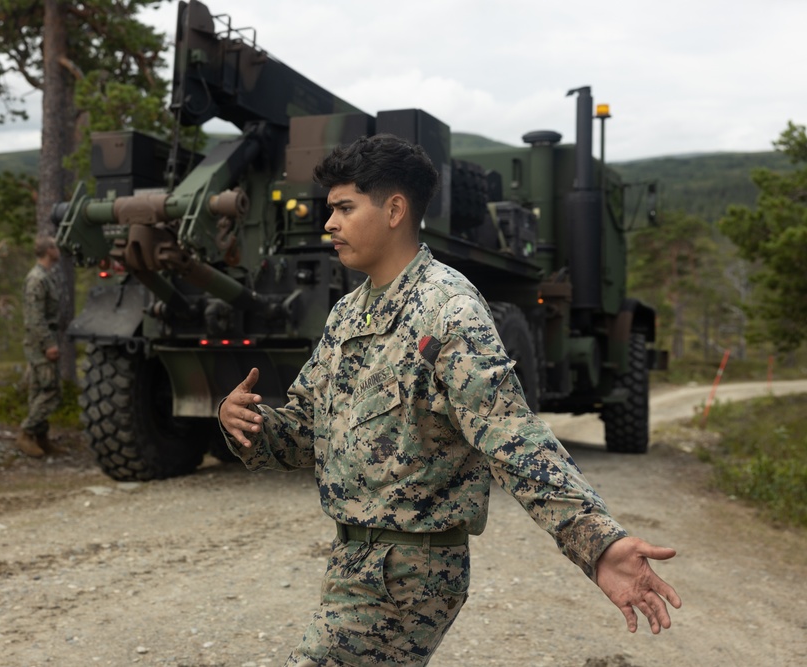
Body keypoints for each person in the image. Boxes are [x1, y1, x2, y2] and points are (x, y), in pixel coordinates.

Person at [219, 134, 681, 665]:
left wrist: (596, 541)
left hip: (409, 572)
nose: (329, 223)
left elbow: (511, 435)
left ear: (394, 210)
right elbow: (305, 432)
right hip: (356, 558)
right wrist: (248, 425)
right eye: (331, 210)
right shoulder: (350, 312)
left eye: (345, 208)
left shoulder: (448, 310)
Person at [17, 232, 63, 458]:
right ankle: (26, 432)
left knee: (38, 390)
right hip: (41, 341)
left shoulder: (47, 276)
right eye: (55, 246)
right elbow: (35, 318)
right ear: (48, 251)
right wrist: (48, 344)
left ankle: (41, 437)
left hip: (44, 338)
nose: (59, 249)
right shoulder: (37, 279)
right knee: (52, 391)